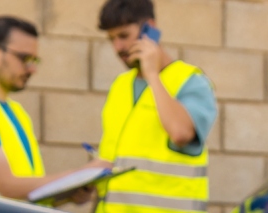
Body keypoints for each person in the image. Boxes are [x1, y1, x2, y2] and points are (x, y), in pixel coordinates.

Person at [0, 15, 107, 207]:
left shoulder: (17, 113)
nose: (32, 69)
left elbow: (26, 196)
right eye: (24, 58)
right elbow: (8, 186)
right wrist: (82, 173)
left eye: (34, 60)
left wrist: (67, 195)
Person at [91, 0, 218, 212]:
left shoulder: (191, 81)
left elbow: (180, 132)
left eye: (123, 36)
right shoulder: (120, 86)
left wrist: (152, 74)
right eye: (111, 39)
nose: (117, 47)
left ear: (150, 28)